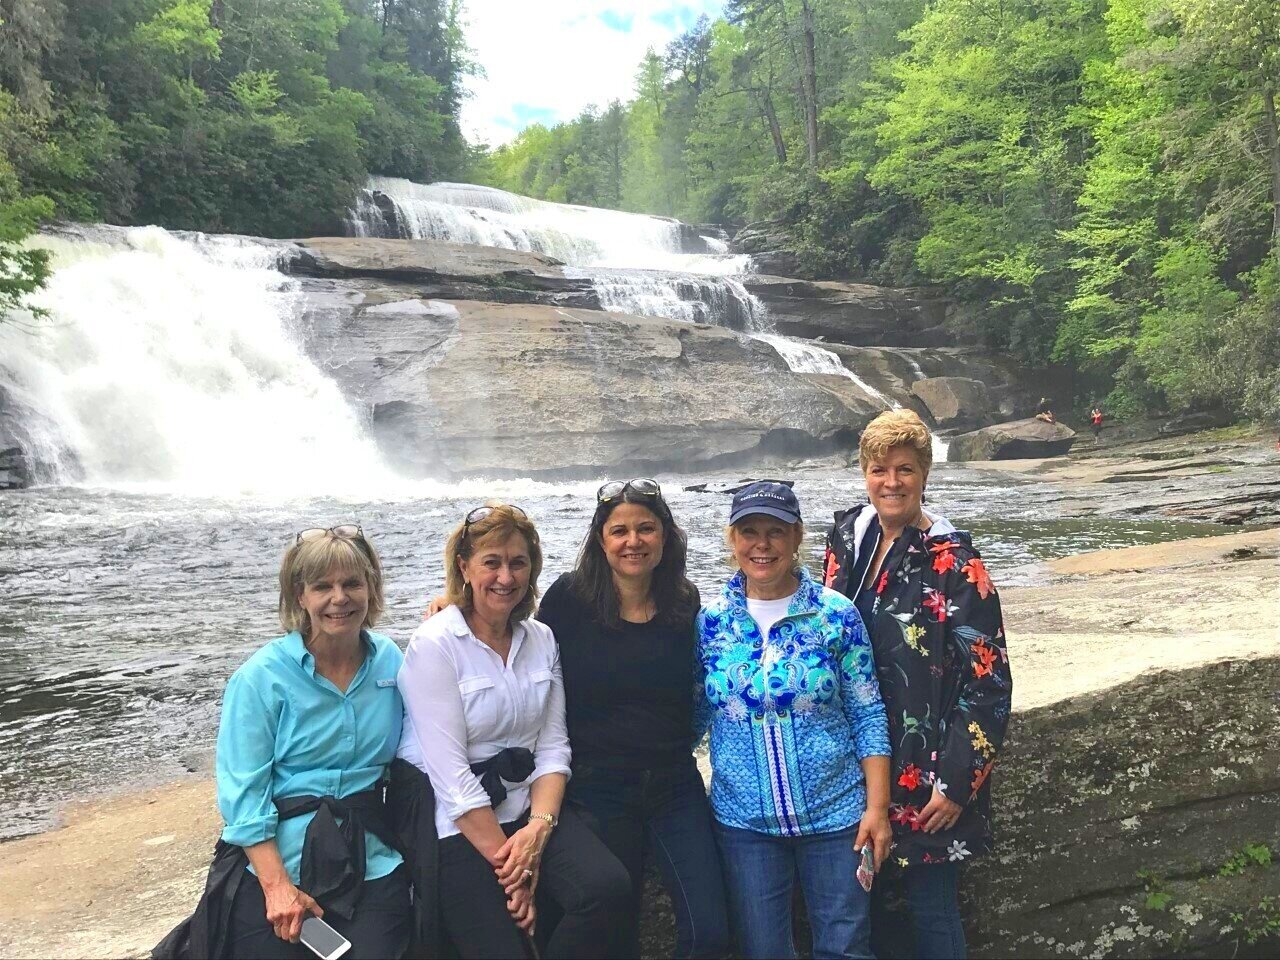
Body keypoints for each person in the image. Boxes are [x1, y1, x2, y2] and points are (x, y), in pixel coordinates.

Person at [157, 524, 411, 960]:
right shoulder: (261, 678)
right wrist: (278, 890)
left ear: (371, 587)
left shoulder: (392, 661)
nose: (340, 598)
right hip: (277, 861)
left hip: (370, 856)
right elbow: (244, 794)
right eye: (322, 586)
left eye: (353, 583)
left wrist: (452, 609)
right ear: (300, 596)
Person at [396, 503, 631, 959]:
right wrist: (516, 872)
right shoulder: (436, 644)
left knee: (606, 889)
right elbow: (451, 779)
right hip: (460, 826)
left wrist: (539, 831)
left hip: (528, 809)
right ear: (463, 567)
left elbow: (553, 747)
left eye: (518, 562)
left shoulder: (540, 638)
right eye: (492, 562)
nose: (506, 576)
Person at [823, 410, 1012, 960]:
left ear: (925, 473)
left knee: (933, 910)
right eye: (879, 469)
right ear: (864, 473)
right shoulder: (846, 541)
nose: (891, 482)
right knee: (865, 905)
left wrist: (957, 782)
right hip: (859, 767)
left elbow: (990, 682)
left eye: (905, 469)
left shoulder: (954, 560)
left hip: (930, 771)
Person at [696, 481, 892, 960]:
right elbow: (690, 717)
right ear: (732, 539)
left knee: (844, 948)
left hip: (837, 818)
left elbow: (868, 713)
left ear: (797, 536)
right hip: (745, 825)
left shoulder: (835, 614)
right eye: (749, 531)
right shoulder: (710, 621)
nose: (762, 544)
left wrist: (878, 810)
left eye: (775, 531)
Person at [536, 479, 730, 959]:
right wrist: (454, 610)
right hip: (597, 788)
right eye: (619, 530)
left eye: (646, 528)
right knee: (613, 932)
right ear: (601, 540)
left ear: (665, 536)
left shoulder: (684, 601)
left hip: (674, 785)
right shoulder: (569, 599)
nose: (633, 541)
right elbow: (517, 647)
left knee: (711, 930)